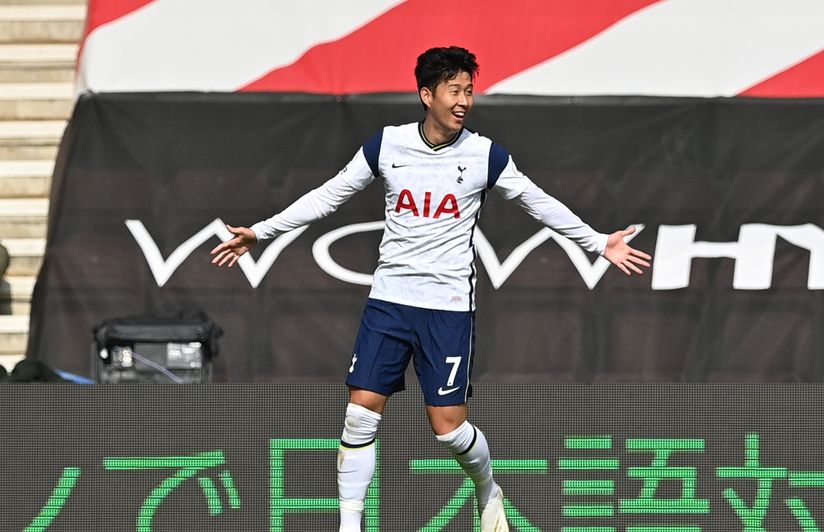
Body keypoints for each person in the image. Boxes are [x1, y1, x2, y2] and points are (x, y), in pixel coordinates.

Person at [211, 46, 651, 532]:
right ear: (427, 94)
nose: (464, 100)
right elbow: (329, 194)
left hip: (447, 310)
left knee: (447, 429)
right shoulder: (387, 145)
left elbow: (536, 201)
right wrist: (262, 230)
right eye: (454, 90)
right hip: (388, 302)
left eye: (469, 90)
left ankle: (487, 487)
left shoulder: (485, 155)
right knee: (360, 414)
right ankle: (350, 525)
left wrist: (596, 242)